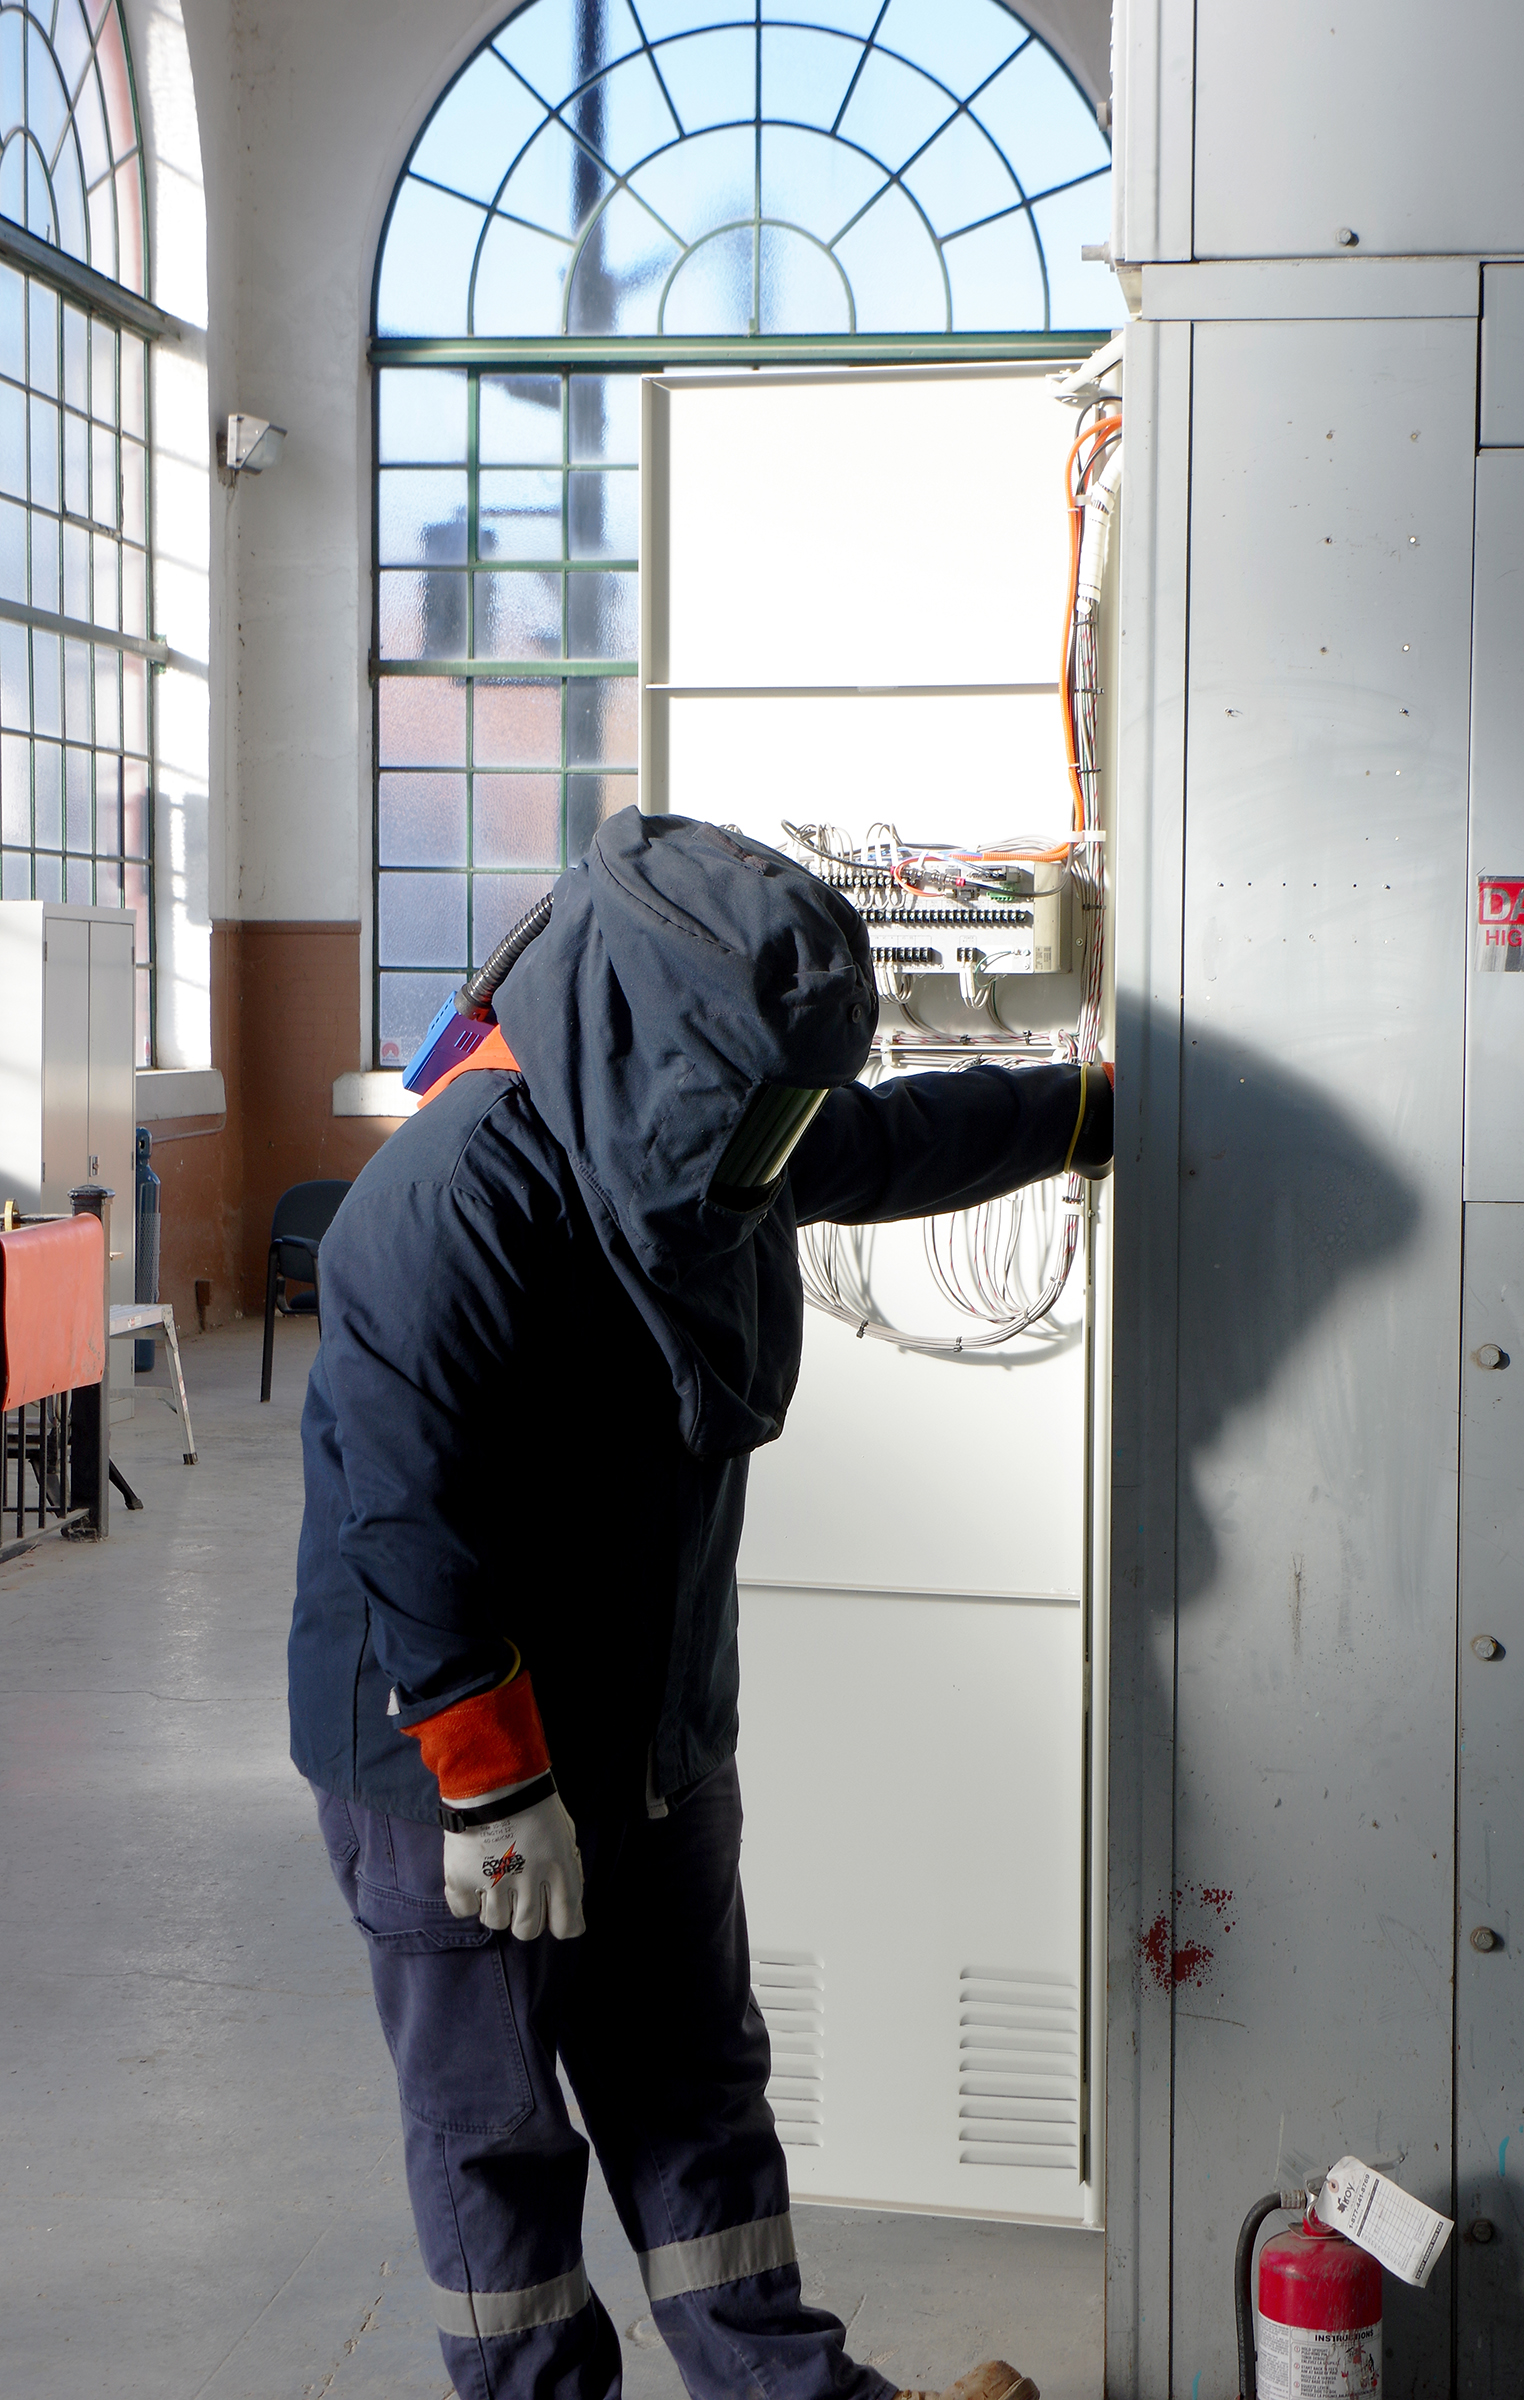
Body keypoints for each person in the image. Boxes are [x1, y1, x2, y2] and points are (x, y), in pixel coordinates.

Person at [289, 810, 1112, 2400]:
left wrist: (1089, 1110)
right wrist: (492, 1778)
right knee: (498, 2140)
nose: (778, 1148)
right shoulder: (451, 1200)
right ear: (641, 1040)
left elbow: (892, 1143)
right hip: (459, 1769)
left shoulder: (709, 1135)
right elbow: (409, 1511)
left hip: (653, 1732)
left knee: (694, 2099)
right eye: (758, 1110)